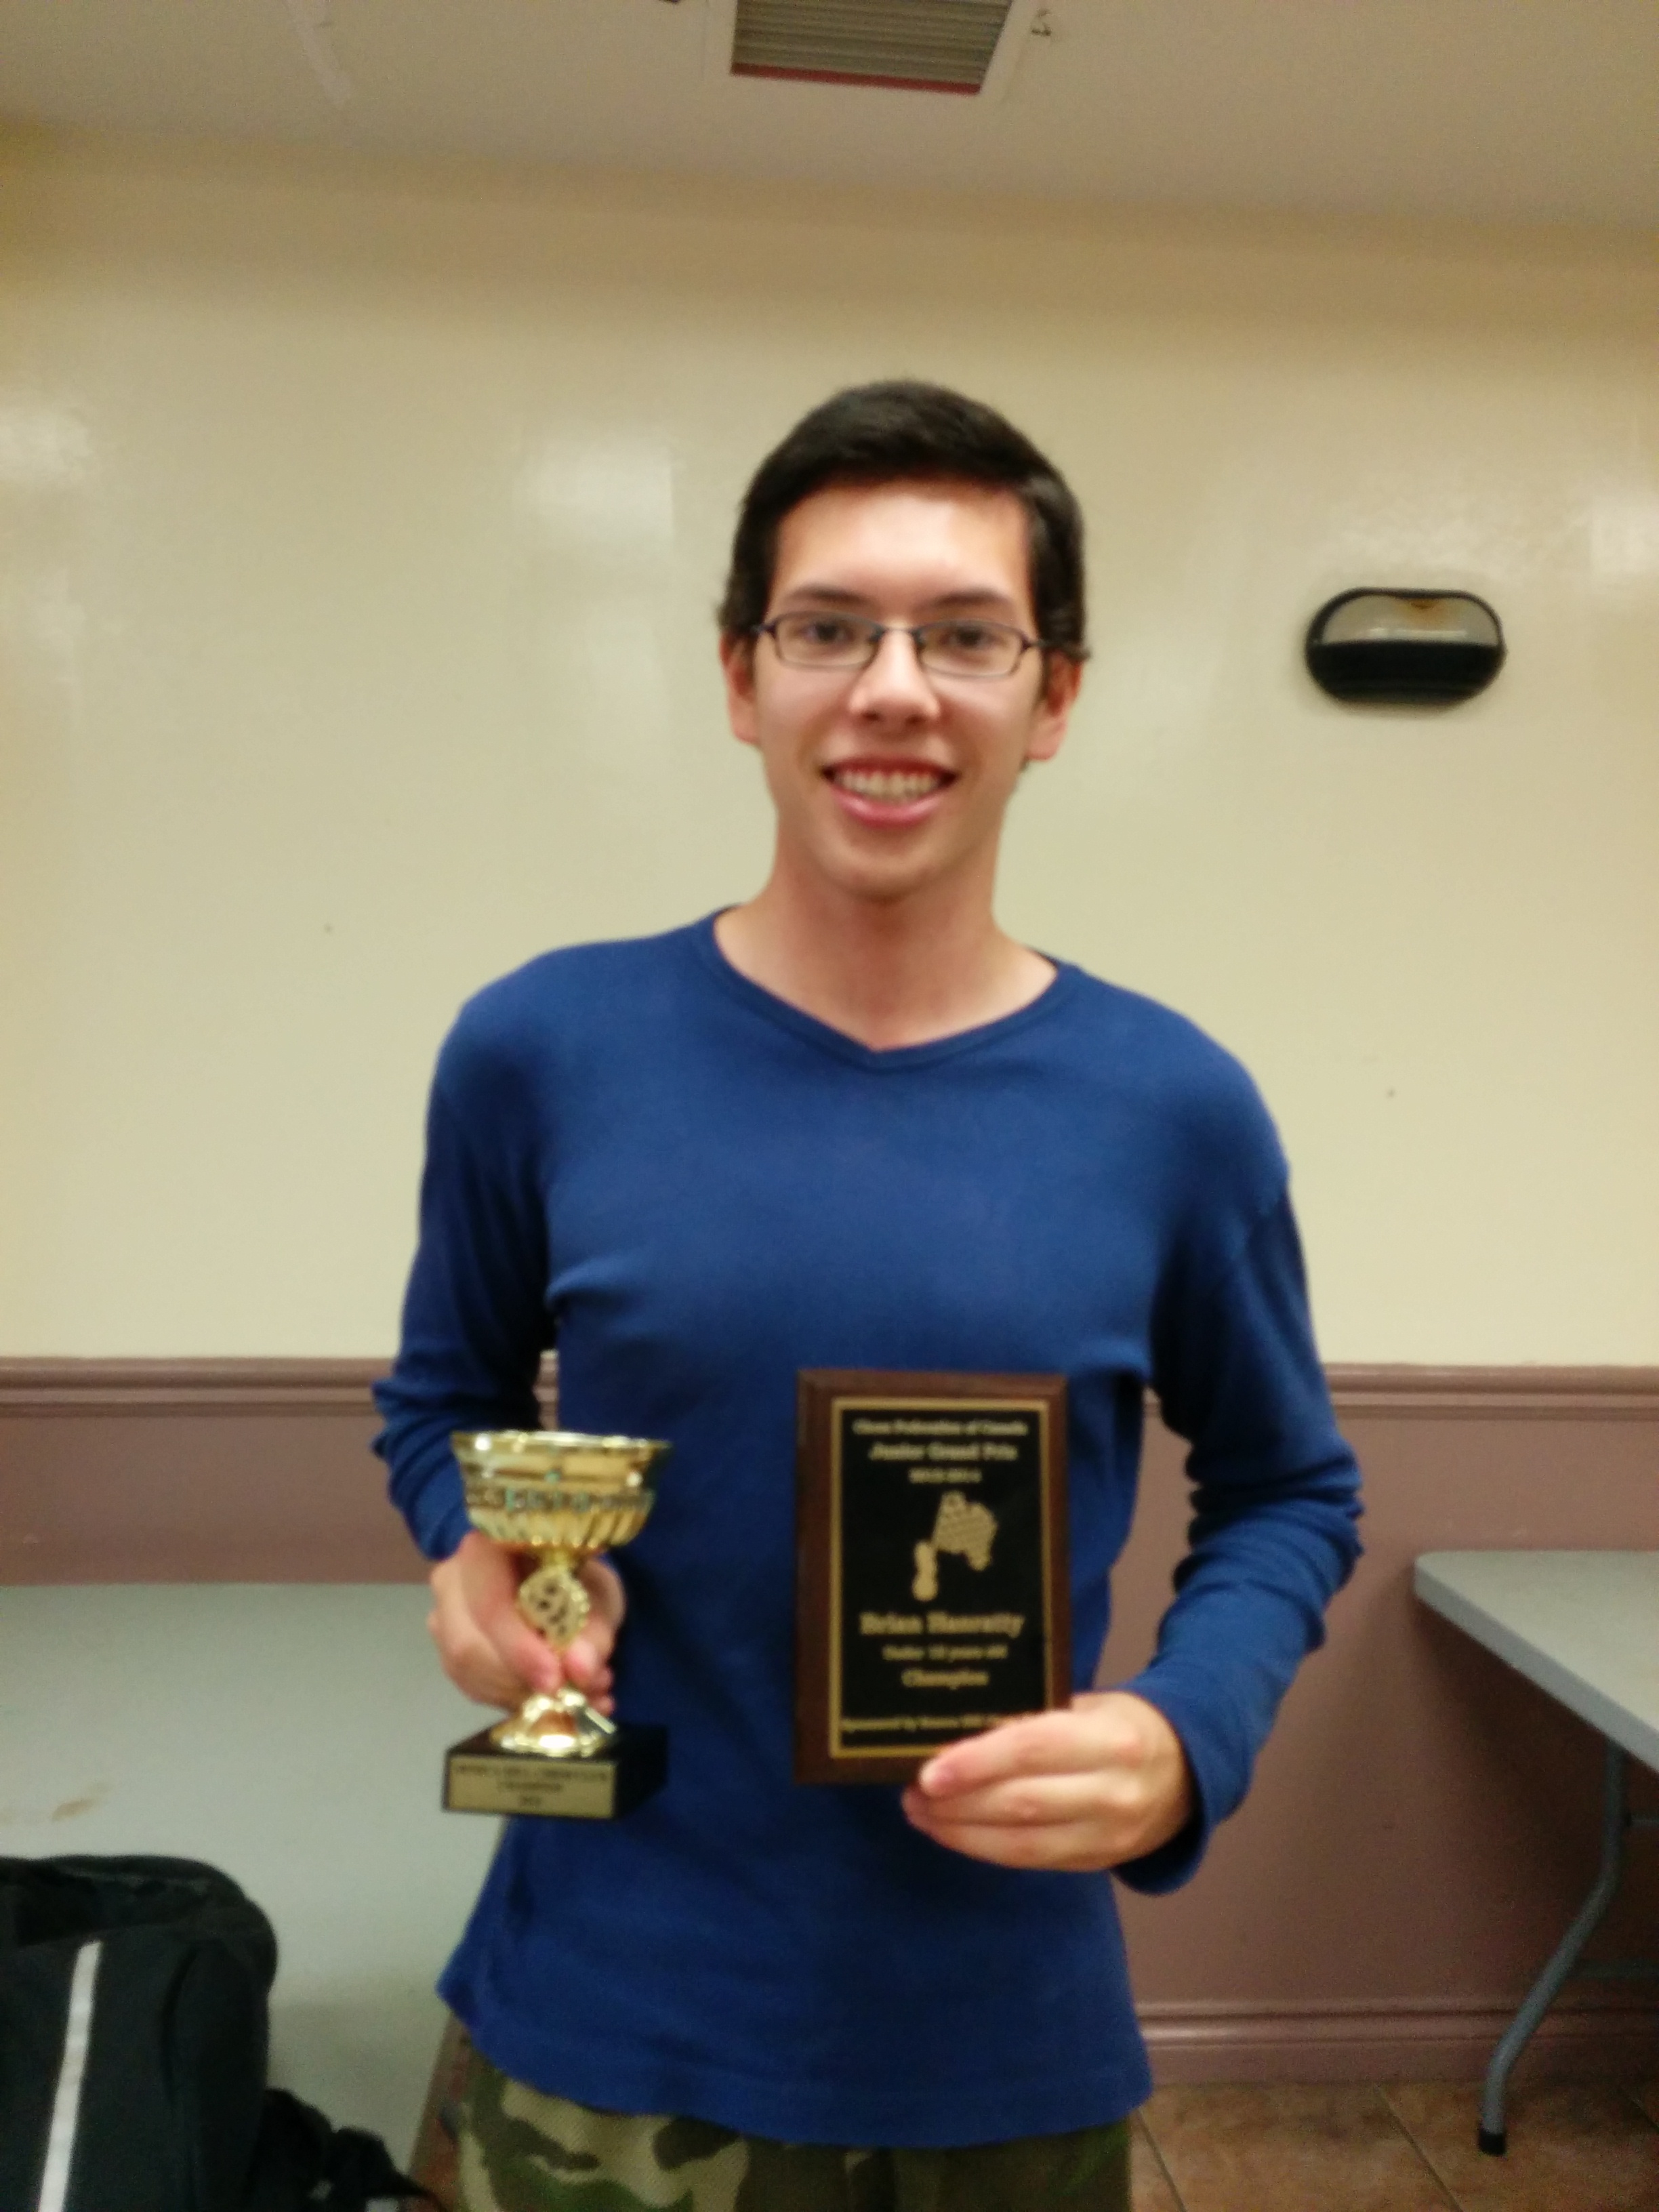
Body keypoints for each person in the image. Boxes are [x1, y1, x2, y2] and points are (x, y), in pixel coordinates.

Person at [374, 381, 1362, 2211]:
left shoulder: (1174, 1106)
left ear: (1054, 699)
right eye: (829, 628)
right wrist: (472, 1549)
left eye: (966, 636)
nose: (893, 688)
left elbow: (1291, 1488)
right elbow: (441, 1402)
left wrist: (1186, 1731)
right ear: (742, 677)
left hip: (999, 2041)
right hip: (604, 2027)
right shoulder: (542, 1049)